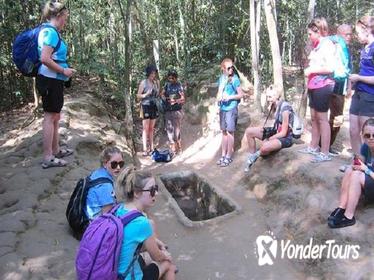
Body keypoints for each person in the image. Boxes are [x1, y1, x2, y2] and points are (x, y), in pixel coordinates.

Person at [115, 167, 177, 280]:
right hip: (127, 277)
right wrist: (166, 255)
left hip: (113, 271)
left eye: (156, 188)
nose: (156, 193)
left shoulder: (120, 209)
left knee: (148, 257)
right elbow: (157, 256)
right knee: (168, 264)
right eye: (152, 190)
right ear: (137, 193)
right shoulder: (141, 223)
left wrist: (155, 241)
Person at [37, 1, 76, 169]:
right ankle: (48, 157)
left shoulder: (48, 31)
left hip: (54, 80)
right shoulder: (50, 33)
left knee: (55, 116)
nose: (65, 21)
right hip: (50, 79)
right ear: (58, 16)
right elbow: (45, 58)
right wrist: (63, 70)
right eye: (65, 18)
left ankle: (56, 149)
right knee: (50, 116)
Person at [299, 17, 336, 163]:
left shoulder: (327, 45)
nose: (309, 37)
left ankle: (325, 152)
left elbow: (330, 68)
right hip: (314, 85)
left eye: (310, 34)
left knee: (322, 119)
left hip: (324, 85)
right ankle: (313, 146)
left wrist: (312, 69)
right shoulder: (317, 45)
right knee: (314, 117)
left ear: (319, 31)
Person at [328, 118, 374, 228]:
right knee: (350, 170)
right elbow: (361, 165)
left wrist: (365, 169)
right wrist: (356, 165)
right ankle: (341, 207)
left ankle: (349, 217)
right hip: (369, 183)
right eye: (368, 135)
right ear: (363, 136)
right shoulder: (365, 147)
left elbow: (365, 170)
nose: (371, 138)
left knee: (357, 175)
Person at [244, 87, 294, 171]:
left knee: (264, 147)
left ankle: (256, 155)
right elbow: (276, 123)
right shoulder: (275, 105)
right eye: (267, 97)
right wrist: (265, 129)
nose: (268, 99)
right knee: (249, 131)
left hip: (285, 137)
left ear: (276, 96)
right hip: (275, 131)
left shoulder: (285, 108)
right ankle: (251, 155)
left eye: (270, 97)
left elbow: (284, 132)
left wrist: (270, 138)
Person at [348, 16, 374, 156]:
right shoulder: (365, 48)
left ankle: (369, 167)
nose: (357, 36)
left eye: (358, 32)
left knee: (368, 134)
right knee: (353, 130)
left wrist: (359, 77)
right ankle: (358, 162)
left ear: (367, 30)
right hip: (358, 93)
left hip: (370, 96)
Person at [327, 24, 353, 154]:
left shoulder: (347, 51)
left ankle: (327, 144)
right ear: (339, 34)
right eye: (346, 34)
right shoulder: (332, 44)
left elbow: (349, 71)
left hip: (340, 89)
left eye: (350, 34)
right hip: (329, 85)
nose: (349, 37)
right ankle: (323, 145)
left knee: (337, 118)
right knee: (324, 117)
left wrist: (349, 87)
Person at [216, 58, 243, 167]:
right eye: (228, 68)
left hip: (231, 108)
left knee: (230, 132)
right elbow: (219, 92)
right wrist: (219, 97)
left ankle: (228, 156)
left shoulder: (235, 79)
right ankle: (223, 155)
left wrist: (230, 97)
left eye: (232, 67)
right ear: (223, 69)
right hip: (223, 108)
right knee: (223, 131)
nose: (231, 69)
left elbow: (240, 95)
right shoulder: (222, 78)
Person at [85, 146, 124, 220]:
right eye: (114, 164)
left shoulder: (98, 173)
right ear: (105, 164)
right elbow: (107, 214)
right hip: (94, 222)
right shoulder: (106, 186)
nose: (118, 167)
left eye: (121, 164)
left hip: (88, 213)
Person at [137, 65, 160, 156]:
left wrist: (158, 85)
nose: (153, 75)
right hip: (145, 106)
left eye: (154, 73)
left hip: (153, 106)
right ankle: (145, 149)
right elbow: (138, 95)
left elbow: (157, 95)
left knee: (151, 128)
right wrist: (146, 94)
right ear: (148, 73)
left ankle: (152, 147)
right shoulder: (144, 82)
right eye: (151, 73)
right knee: (145, 128)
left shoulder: (155, 83)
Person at [160, 69, 185, 154]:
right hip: (168, 110)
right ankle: (173, 147)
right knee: (169, 128)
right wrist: (164, 98)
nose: (170, 80)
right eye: (169, 78)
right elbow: (162, 94)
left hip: (176, 110)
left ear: (175, 78)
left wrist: (176, 101)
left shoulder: (179, 85)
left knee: (177, 129)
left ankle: (179, 146)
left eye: (172, 78)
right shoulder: (167, 85)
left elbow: (183, 99)